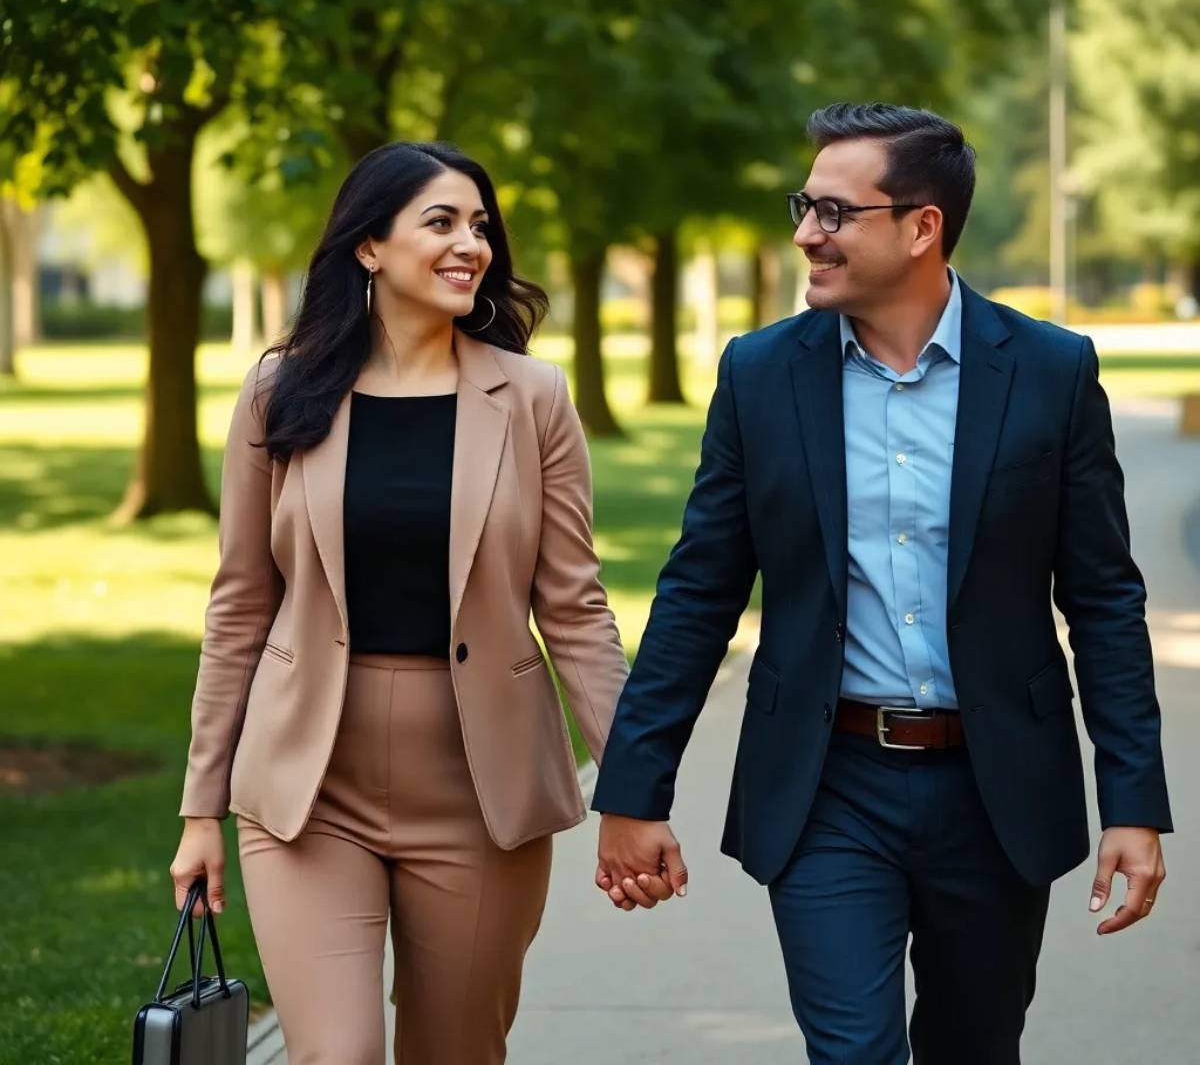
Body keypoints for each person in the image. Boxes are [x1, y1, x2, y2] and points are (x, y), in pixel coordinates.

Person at [590, 103, 1172, 1063]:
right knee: (854, 1053)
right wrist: (634, 788)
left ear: (921, 227)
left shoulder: (1049, 371)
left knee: (972, 1048)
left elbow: (1105, 600)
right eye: (803, 207)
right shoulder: (762, 374)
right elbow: (699, 589)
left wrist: (1136, 804)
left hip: (995, 791)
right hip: (828, 785)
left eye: (831, 212)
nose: (804, 233)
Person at [169, 141, 629, 1064]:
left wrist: (634, 785)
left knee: (455, 1051)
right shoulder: (280, 392)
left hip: (478, 786)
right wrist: (198, 809)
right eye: (442, 222)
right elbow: (239, 608)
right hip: (307, 781)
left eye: (481, 226)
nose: (472, 246)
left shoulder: (533, 397)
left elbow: (575, 609)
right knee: (334, 1055)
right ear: (368, 247)